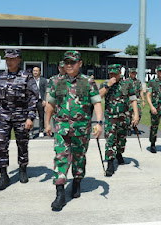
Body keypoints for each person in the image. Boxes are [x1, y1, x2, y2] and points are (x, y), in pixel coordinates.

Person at [45, 50, 103, 211]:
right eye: (66, 62)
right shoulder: (55, 81)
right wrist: (47, 124)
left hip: (81, 129)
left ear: (80, 63)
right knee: (61, 158)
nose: (69, 65)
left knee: (79, 157)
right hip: (61, 128)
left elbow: (97, 103)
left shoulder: (88, 81)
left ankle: (77, 181)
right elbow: (50, 104)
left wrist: (99, 122)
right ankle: (60, 193)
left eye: (72, 62)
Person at [0, 49, 38, 190]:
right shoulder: (1, 77)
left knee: (22, 144)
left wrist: (30, 117)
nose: (9, 61)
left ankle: (22, 169)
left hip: (21, 116)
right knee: (0, 144)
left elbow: (33, 98)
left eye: (12, 59)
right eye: (7, 59)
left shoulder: (26, 76)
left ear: (19, 60)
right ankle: (3, 175)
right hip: (4, 116)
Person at [99, 64, 139, 177]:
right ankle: (110, 163)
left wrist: (136, 114)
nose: (113, 76)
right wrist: (108, 86)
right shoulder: (104, 84)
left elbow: (133, 100)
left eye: (115, 74)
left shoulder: (127, 84)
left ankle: (119, 153)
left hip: (124, 117)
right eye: (111, 74)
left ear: (120, 74)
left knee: (121, 140)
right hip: (110, 117)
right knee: (110, 140)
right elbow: (98, 97)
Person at [127, 67, 145, 134]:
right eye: (132, 73)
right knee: (128, 114)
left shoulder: (138, 82)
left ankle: (133, 125)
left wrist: (143, 100)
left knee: (139, 113)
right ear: (129, 73)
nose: (134, 74)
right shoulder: (126, 81)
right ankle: (128, 128)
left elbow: (141, 91)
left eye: (135, 73)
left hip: (137, 100)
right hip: (128, 101)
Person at [32, 66, 47, 138]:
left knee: (41, 116)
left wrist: (45, 100)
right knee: (31, 116)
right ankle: (30, 131)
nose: (35, 72)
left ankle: (41, 131)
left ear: (40, 72)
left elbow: (46, 91)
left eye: (36, 71)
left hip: (40, 101)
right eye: (34, 71)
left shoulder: (43, 80)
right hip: (32, 101)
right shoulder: (30, 80)